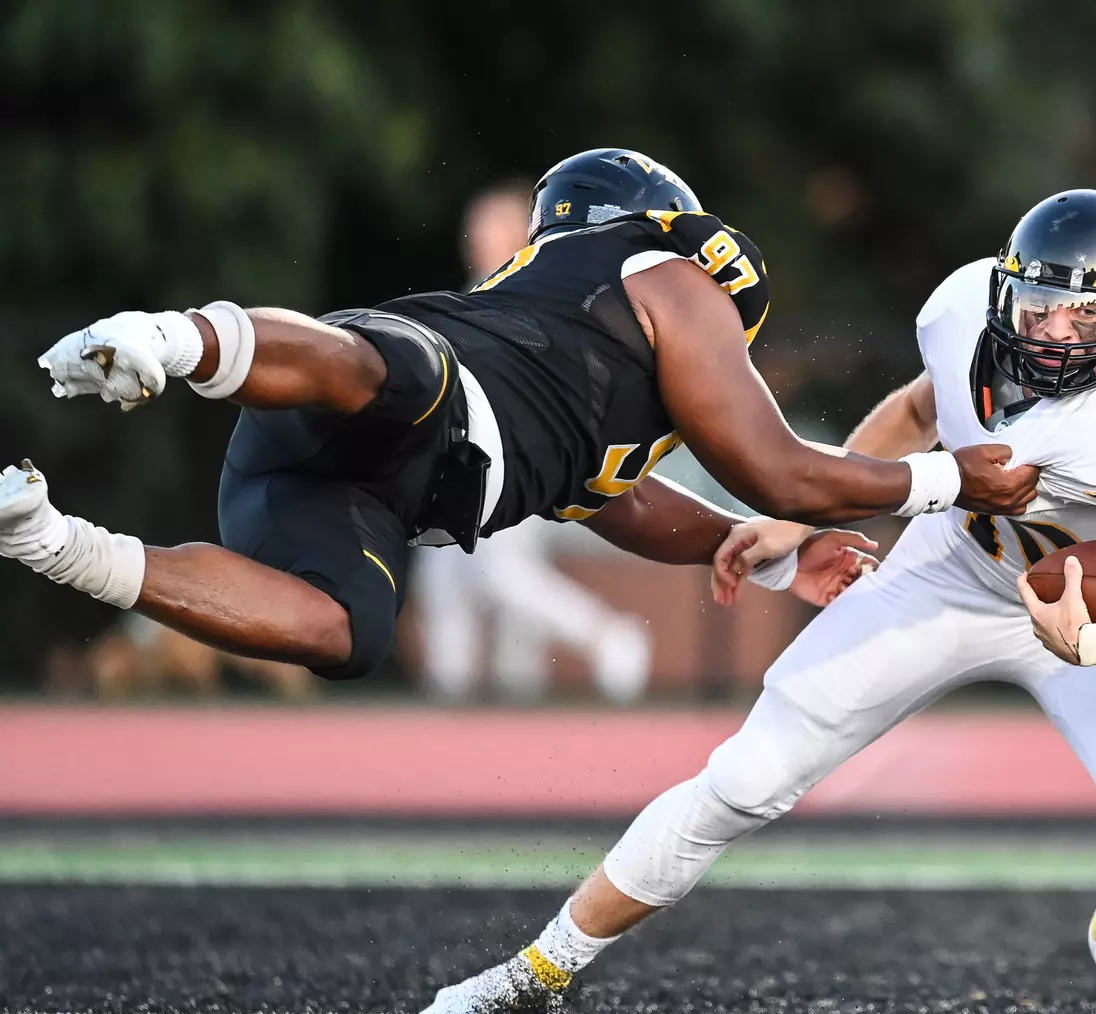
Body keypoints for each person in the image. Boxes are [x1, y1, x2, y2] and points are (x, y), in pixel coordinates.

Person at [415, 190, 1096, 1014]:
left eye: (1084, 318)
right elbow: (914, 412)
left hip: (1080, 609)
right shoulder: (959, 311)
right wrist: (806, 516)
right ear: (1009, 284)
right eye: (1041, 302)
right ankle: (540, 967)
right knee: (745, 776)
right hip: (955, 567)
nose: (1052, 330)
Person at [0, 149, 1039, 682]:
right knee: (400, 375)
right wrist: (947, 478)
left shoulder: (607, 413)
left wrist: (760, 552)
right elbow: (783, 470)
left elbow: (617, 498)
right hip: (417, 389)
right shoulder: (665, 270)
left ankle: (55, 542)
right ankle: (170, 336)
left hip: (347, 478)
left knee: (345, 630)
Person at [415, 183, 650, 703]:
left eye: (489, 226)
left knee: (505, 578)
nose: (474, 238)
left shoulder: (535, 293)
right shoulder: (474, 291)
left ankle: (607, 635)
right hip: (454, 468)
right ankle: (448, 705)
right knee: (443, 585)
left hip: (514, 466)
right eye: (473, 228)